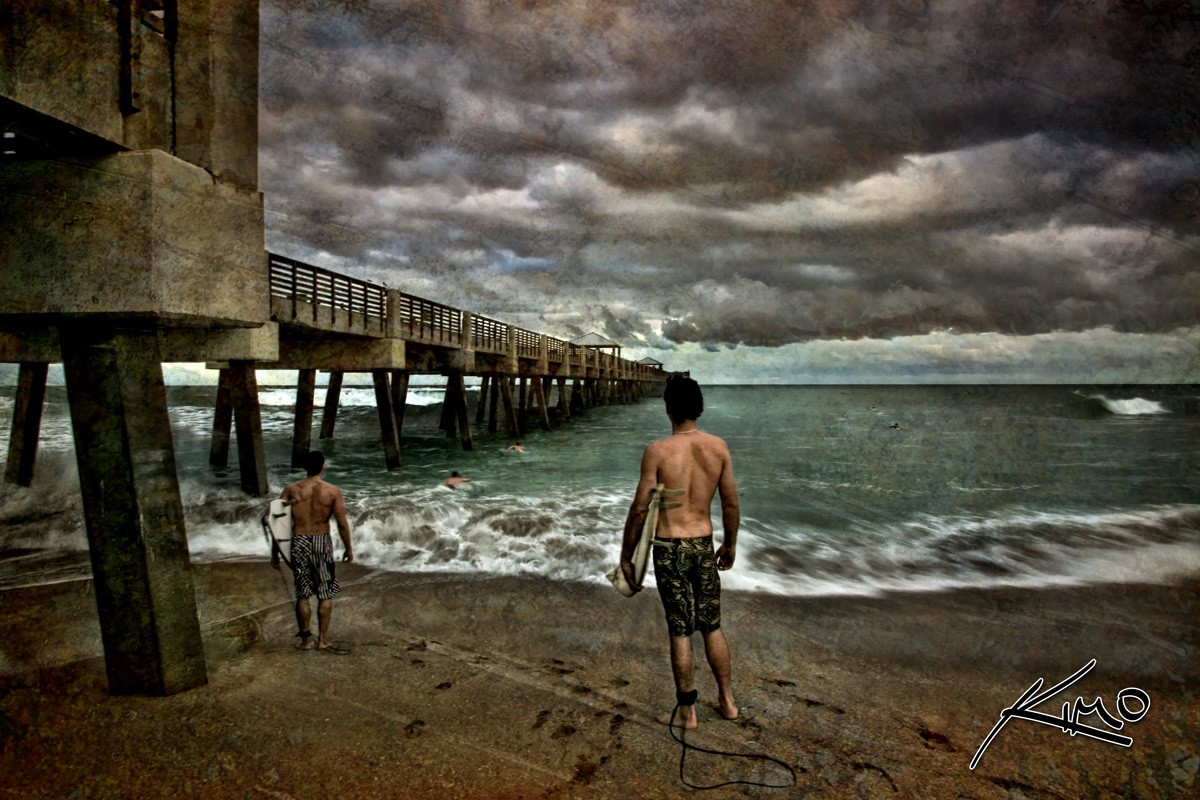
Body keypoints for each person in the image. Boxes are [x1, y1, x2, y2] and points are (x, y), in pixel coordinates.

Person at [620, 376, 739, 729]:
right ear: (698, 407)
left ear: (668, 407)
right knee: (712, 626)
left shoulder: (657, 452)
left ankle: (687, 712)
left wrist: (627, 556)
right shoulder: (718, 448)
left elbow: (640, 508)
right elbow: (731, 503)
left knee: (680, 629)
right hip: (702, 544)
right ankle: (728, 702)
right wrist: (730, 543)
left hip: (670, 549)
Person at [273, 450, 353, 652]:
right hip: (321, 542)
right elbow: (342, 523)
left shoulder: (291, 489)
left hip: (299, 541)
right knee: (325, 593)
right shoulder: (332, 491)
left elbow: (278, 524)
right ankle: (323, 640)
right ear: (323, 466)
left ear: (305, 467)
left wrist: (275, 553)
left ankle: (306, 641)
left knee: (303, 593)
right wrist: (348, 548)